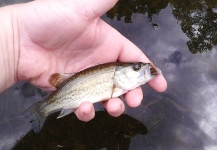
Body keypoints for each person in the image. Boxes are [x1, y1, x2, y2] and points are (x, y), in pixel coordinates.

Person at [0, 0, 167, 122]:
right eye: (136, 68)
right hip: (65, 90)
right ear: (120, 72)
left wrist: (14, 40)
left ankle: (42, 109)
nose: (142, 68)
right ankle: (41, 110)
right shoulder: (116, 83)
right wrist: (14, 35)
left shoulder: (119, 84)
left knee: (95, 108)